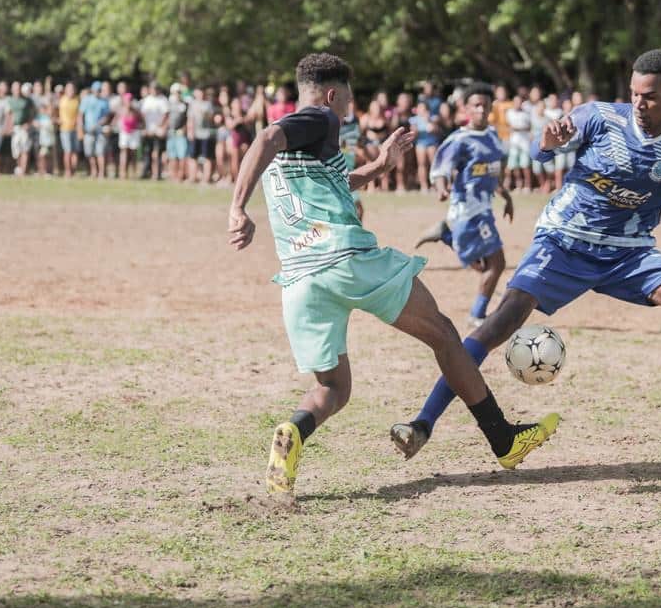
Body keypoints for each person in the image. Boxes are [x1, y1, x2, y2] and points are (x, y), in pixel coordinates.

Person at [391, 49, 661, 465]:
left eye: (649, 95)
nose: (638, 102)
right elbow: (549, 147)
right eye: (634, 92)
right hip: (563, 240)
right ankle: (424, 422)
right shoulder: (601, 115)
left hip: (628, 253)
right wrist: (546, 143)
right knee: (497, 325)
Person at [226, 53, 559, 499]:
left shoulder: (300, 149)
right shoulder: (320, 119)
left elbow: (334, 181)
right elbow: (267, 136)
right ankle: (504, 439)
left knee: (333, 388)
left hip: (299, 277)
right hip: (345, 259)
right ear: (330, 94)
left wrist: (381, 166)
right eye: (347, 99)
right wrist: (237, 206)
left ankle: (294, 429)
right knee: (443, 333)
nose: (348, 108)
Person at [414, 82, 514, 327]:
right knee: (496, 264)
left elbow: (493, 172)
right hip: (468, 209)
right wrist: (441, 187)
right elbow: (440, 169)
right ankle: (477, 315)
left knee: (484, 265)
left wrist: (507, 196)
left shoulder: (492, 136)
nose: (481, 109)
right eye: (476, 105)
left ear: (491, 107)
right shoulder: (459, 139)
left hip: (484, 208)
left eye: (485, 105)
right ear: (467, 108)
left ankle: (447, 235)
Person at [78, 81, 111, 179]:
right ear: (92, 90)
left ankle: (101, 173)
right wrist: (81, 127)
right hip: (88, 131)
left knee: (100, 152)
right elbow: (81, 114)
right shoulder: (86, 100)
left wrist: (99, 123)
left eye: (100, 90)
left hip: (100, 131)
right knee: (90, 153)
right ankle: (94, 171)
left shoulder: (104, 101)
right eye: (96, 90)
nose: (98, 91)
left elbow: (106, 116)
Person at [139, 82, 169, 180]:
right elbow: (143, 115)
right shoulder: (147, 99)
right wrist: (144, 128)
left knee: (157, 153)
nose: (154, 90)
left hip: (158, 130)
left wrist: (160, 127)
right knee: (147, 152)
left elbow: (166, 115)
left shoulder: (163, 100)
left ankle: (157, 174)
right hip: (148, 130)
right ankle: (146, 172)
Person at [505, 89, 532, 190]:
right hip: (514, 142)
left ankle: (527, 185)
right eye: (516, 102)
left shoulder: (526, 113)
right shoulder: (509, 113)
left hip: (525, 143)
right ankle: (518, 184)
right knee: (514, 166)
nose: (518, 104)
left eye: (519, 102)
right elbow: (508, 126)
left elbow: (529, 127)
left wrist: (518, 128)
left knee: (525, 165)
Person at [409, 101, 439, 192]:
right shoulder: (414, 120)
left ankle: (434, 185)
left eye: (424, 108)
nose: (422, 110)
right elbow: (413, 134)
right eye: (420, 108)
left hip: (432, 143)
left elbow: (436, 130)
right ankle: (424, 186)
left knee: (433, 165)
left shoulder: (433, 118)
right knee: (422, 165)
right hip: (420, 143)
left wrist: (428, 120)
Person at [187, 87, 215, 183]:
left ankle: (206, 179)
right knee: (193, 156)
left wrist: (206, 115)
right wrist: (190, 132)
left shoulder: (208, 104)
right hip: (195, 134)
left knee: (207, 157)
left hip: (206, 134)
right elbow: (190, 119)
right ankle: (192, 177)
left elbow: (212, 119)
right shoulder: (193, 104)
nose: (200, 94)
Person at [7, 82, 36, 176]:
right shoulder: (10, 100)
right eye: (15, 88)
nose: (17, 90)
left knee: (25, 149)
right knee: (16, 151)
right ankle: (19, 168)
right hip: (15, 128)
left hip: (24, 128)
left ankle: (23, 170)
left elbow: (32, 113)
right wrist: (9, 127)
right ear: (12, 89)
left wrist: (29, 123)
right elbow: (9, 115)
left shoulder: (27, 100)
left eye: (18, 88)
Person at [164, 83, 190, 182]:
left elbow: (188, 119)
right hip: (171, 133)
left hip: (180, 134)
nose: (177, 94)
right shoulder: (170, 104)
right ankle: (173, 175)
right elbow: (167, 118)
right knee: (172, 155)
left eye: (179, 92)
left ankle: (181, 175)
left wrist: (184, 129)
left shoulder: (185, 105)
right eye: (175, 92)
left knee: (182, 155)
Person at [117, 92, 142, 180]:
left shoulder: (135, 111)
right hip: (124, 133)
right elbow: (116, 121)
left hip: (134, 133)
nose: (129, 102)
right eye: (127, 100)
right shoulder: (121, 110)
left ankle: (133, 172)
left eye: (130, 100)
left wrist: (139, 127)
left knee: (133, 154)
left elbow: (141, 121)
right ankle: (123, 173)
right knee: (124, 153)